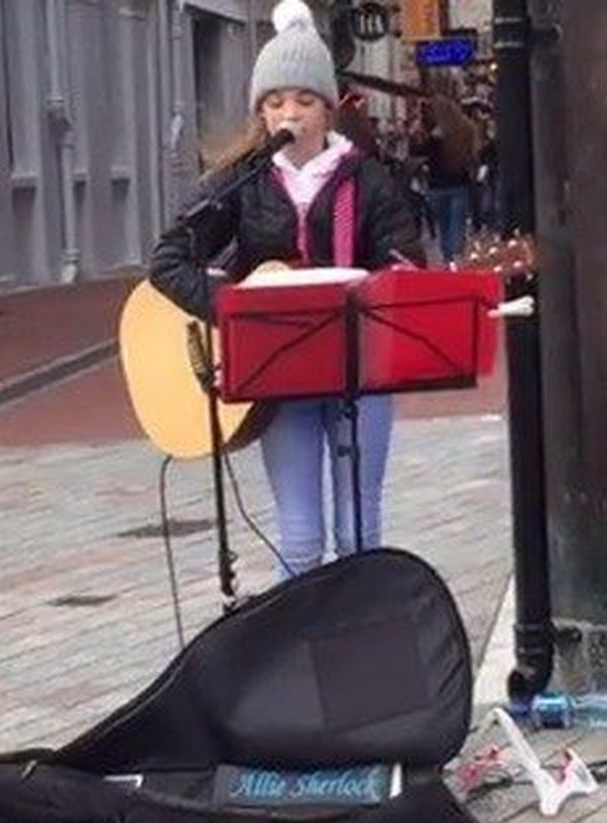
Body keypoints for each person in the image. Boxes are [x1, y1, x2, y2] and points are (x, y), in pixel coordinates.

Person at [148, 0, 424, 580]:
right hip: (281, 374)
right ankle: (296, 654)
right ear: (261, 114)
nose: (288, 114)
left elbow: (406, 264)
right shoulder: (244, 182)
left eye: (302, 100)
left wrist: (383, 285)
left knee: (358, 533)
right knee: (299, 540)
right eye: (274, 103)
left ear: (327, 108)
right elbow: (168, 260)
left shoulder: (368, 180)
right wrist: (234, 309)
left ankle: (360, 649)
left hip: (359, 370)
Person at [410, 95, 480, 262]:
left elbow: (417, 152)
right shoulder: (465, 128)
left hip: (437, 185)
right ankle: (457, 257)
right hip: (459, 183)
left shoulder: (432, 132)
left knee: (443, 226)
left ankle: (448, 259)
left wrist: (427, 138)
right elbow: (473, 155)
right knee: (458, 225)